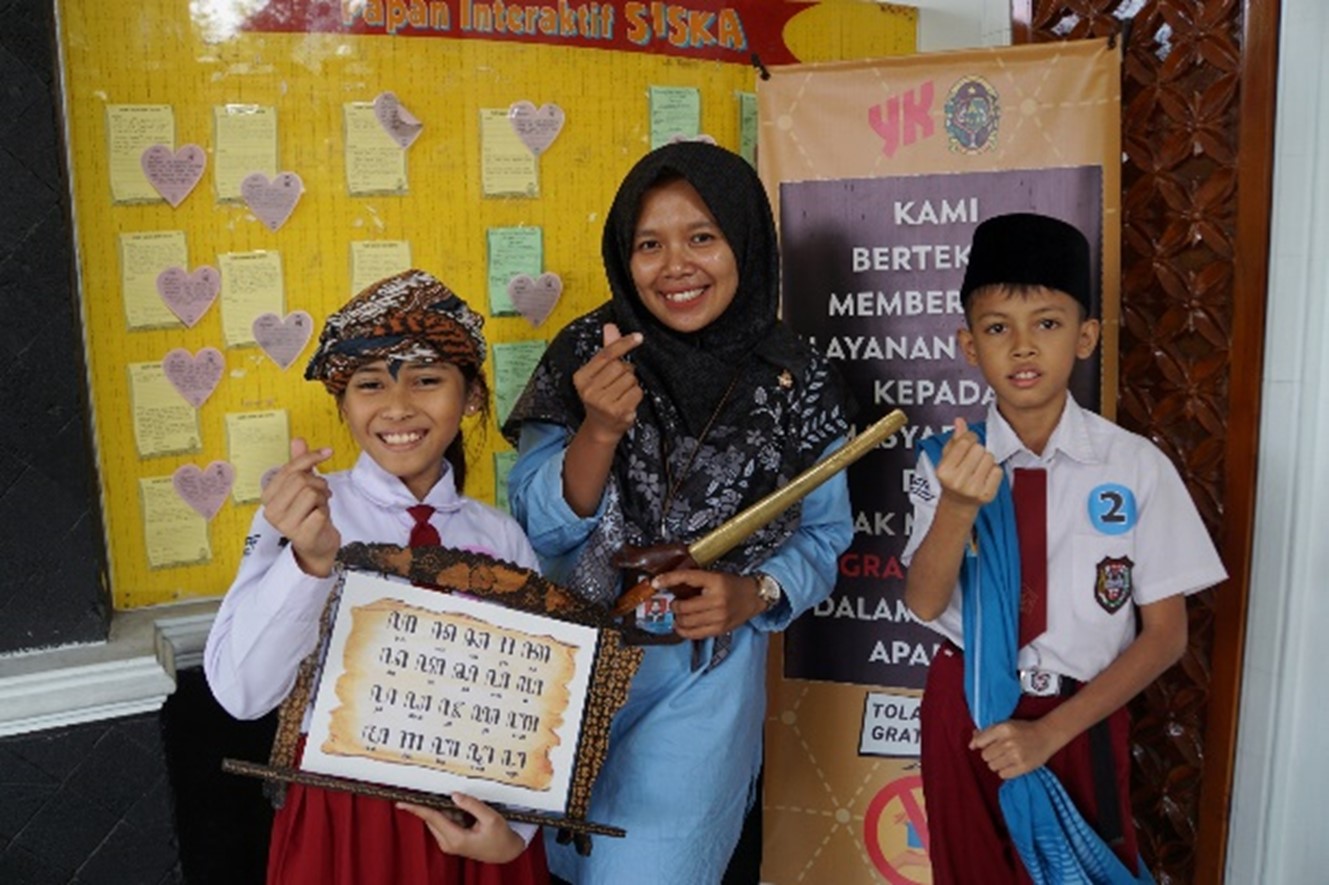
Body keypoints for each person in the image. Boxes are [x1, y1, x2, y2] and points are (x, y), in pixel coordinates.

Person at [501, 141, 854, 884]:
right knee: (542, 863)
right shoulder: (585, 353)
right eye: (648, 244)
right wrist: (598, 428)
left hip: (701, 682)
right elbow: (539, 528)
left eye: (702, 237)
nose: (676, 266)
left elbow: (825, 533)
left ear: (745, 242)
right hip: (563, 669)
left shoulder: (796, 378)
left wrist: (752, 593)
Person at [901, 213, 1228, 884]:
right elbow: (923, 599)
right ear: (968, 344)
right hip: (963, 707)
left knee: (1085, 868)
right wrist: (959, 507)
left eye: (1046, 324)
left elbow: (1164, 636)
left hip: (1078, 716)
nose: (1022, 347)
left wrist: (1051, 732)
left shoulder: (1133, 468)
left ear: (1084, 337)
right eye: (997, 328)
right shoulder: (948, 461)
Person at [204, 269, 549, 885]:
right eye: (369, 384)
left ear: (470, 395)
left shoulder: (502, 539)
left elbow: (535, 703)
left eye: (427, 380)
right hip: (344, 823)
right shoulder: (300, 515)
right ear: (342, 401)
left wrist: (516, 832)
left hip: (474, 822)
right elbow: (243, 693)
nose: (397, 407)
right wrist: (308, 564)